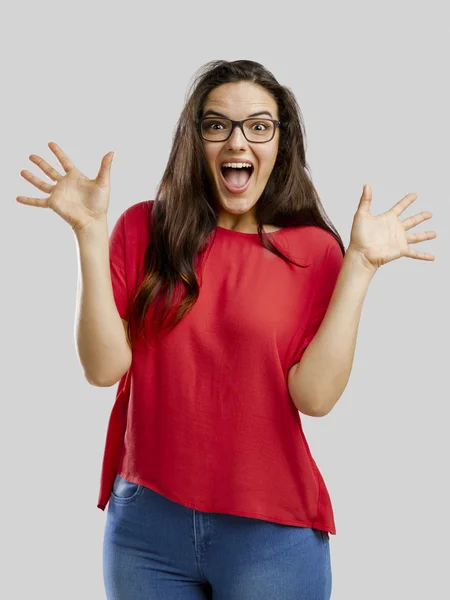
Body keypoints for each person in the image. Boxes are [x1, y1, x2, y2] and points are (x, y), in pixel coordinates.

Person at [17, 59, 435, 600]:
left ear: (281, 144)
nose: (238, 143)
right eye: (218, 126)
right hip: (146, 527)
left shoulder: (313, 251)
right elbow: (103, 369)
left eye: (259, 127)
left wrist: (360, 266)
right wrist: (89, 233)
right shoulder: (144, 228)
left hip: (269, 534)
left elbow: (315, 398)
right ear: (196, 140)